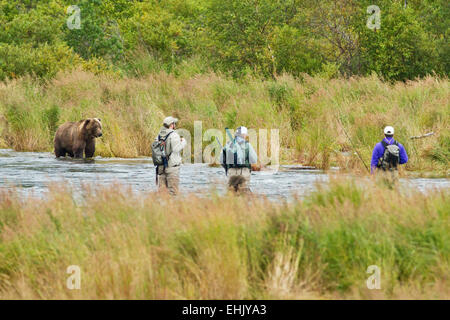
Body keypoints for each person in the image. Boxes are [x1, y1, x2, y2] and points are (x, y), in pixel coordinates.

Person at [154, 116, 186, 195]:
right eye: (174, 123)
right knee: (173, 193)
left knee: (162, 193)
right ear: (171, 124)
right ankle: (172, 207)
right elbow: (176, 149)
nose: (174, 125)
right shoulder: (174, 134)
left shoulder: (159, 135)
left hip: (161, 168)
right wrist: (183, 142)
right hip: (172, 168)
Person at [220, 126, 257, 193]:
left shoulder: (228, 144)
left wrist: (227, 169)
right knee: (244, 193)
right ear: (243, 135)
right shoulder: (247, 145)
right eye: (245, 134)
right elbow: (254, 159)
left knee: (231, 193)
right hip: (244, 173)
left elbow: (221, 160)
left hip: (231, 172)